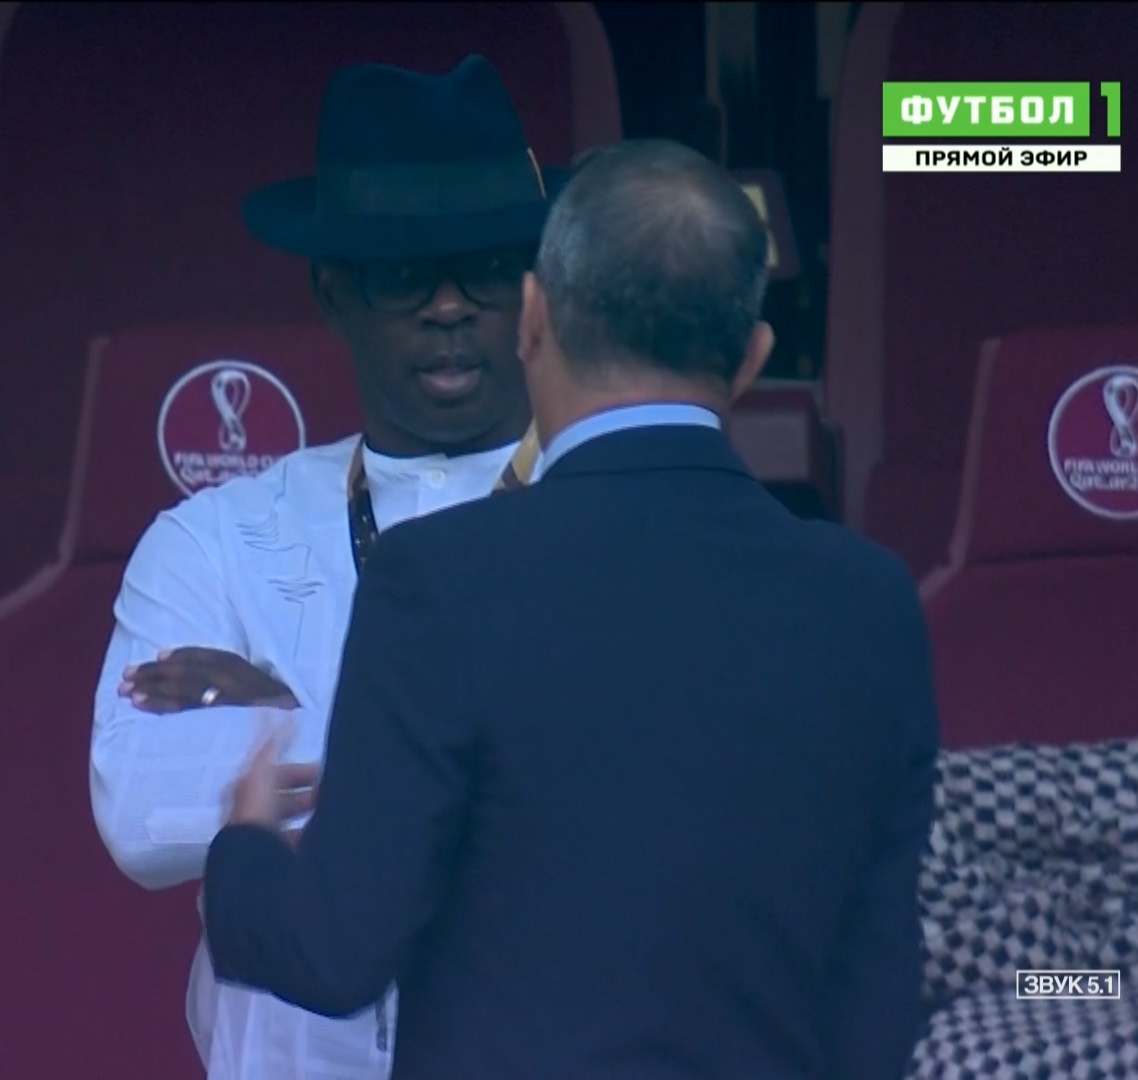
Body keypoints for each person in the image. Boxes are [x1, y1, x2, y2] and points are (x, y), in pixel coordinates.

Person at [202, 140, 939, 1080]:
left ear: (533, 318)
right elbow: (880, 995)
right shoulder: (871, 600)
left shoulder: (439, 579)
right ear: (754, 355)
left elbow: (332, 951)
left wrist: (244, 849)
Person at [90, 56, 563, 1079]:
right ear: (333, 291)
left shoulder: (608, 512)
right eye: (403, 274)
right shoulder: (215, 541)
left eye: (486, 268)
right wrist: (481, 769)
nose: (448, 308)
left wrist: (282, 721)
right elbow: (138, 809)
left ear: (536, 290)